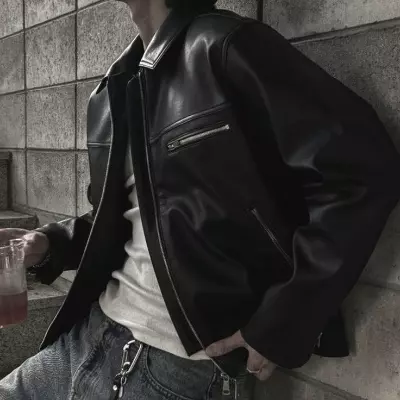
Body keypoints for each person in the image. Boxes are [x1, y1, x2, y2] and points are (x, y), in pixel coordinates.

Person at [1, 0, 400, 398]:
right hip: (90, 335)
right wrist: (50, 242)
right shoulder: (114, 86)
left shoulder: (225, 47)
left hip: (175, 368)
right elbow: (134, 219)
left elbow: (363, 170)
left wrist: (284, 319)